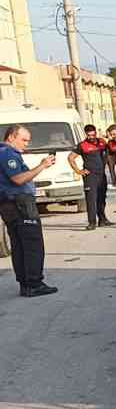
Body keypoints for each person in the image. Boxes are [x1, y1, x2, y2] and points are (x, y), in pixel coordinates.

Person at [0, 125, 58, 296]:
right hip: (19, 204)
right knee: (32, 245)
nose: (26, 144)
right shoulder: (7, 154)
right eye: (23, 140)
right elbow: (18, 179)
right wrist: (42, 166)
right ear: (11, 137)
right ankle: (34, 283)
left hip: (10, 204)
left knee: (19, 245)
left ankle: (26, 284)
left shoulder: (6, 153)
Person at [68, 124, 114, 230]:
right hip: (90, 176)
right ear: (86, 134)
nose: (91, 137)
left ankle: (103, 220)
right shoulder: (82, 145)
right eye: (89, 135)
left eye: (93, 135)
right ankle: (92, 222)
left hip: (101, 175)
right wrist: (78, 171)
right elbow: (70, 158)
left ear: (95, 133)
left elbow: (110, 152)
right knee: (91, 200)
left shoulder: (102, 142)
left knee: (101, 199)